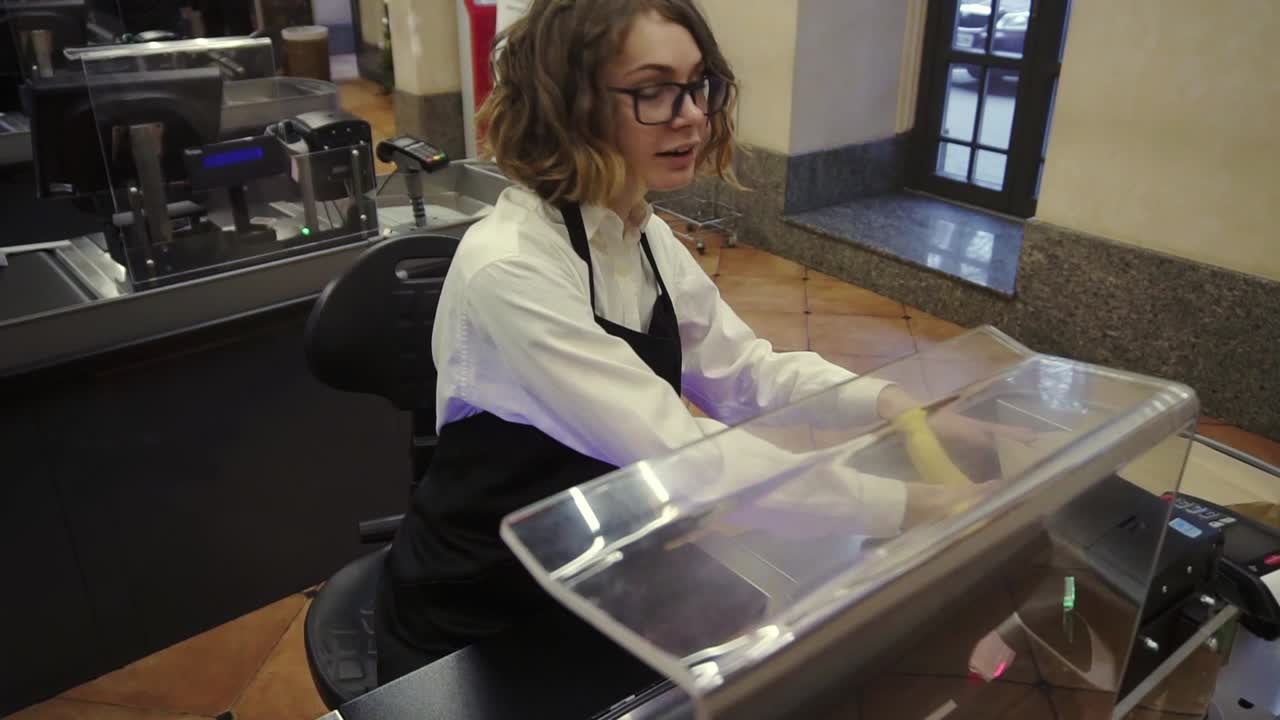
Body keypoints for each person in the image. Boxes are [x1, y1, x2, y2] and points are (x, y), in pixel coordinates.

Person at [374, 0, 1014, 684]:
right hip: (484, 607)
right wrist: (910, 506)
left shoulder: (641, 233)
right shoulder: (512, 267)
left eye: (697, 84)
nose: (690, 114)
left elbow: (747, 374)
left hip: (601, 559)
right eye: (652, 90)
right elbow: (682, 456)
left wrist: (893, 403)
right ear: (571, 104)